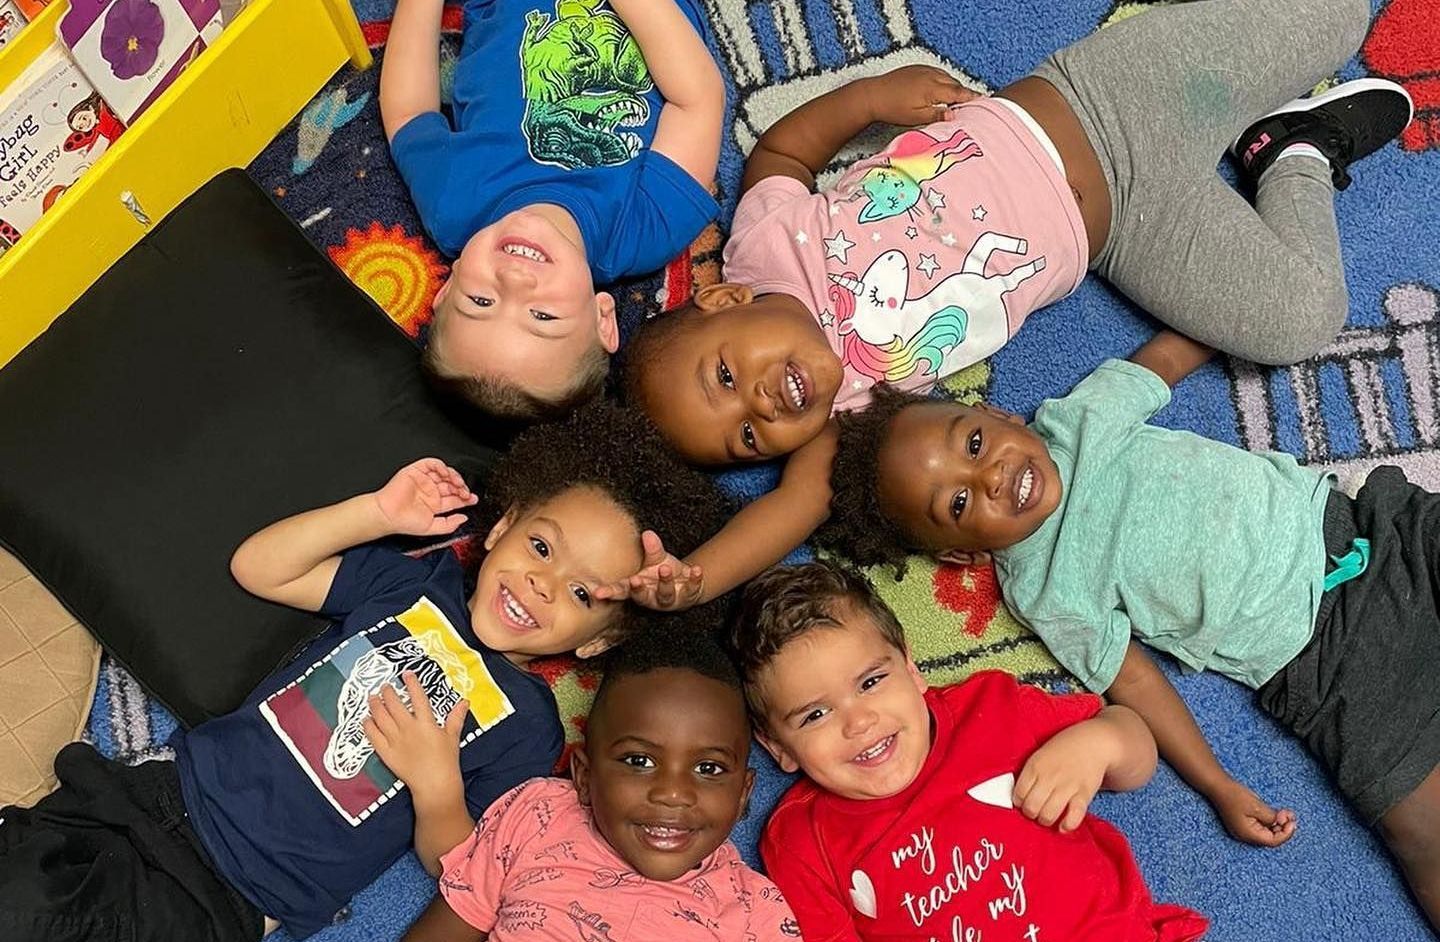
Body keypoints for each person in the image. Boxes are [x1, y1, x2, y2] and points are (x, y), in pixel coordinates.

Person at [608, 0, 1413, 612]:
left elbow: (784, 148)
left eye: (723, 377)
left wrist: (868, 99)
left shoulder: (763, 244)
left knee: (1338, 14)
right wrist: (699, 576)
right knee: (1302, 320)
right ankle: (1293, 149)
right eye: (747, 438)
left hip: (1102, 100)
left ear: (722, 299)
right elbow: (788, 509)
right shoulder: (850, 411)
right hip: (1126, 231)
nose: (758, 407)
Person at [0, 402, 731, 942]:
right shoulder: (416, 586)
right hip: (152, 792)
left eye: (580, 593)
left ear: (599, 643)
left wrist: (436, 779)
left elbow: (466, 871)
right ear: (501, 526)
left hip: (222, 893)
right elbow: (260, 567)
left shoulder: (527, 727)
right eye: (542, 547)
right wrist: (375, 512)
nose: (543, 584)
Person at [820, 324, 1440, 932]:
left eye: (975, 444)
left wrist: (1245, 317)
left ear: (999, 415)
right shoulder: (1042, 590)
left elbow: (1168, 357)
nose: (990, 478)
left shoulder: (1079, 420)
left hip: (1373, 535)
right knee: (1420, 834)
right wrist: (1218, 784)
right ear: (962, 556)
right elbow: (1136, 684)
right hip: (1327, 666)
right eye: (958, 505)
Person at [729, 560, 1207, 942]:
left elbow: (1137, 756)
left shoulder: (993, 709)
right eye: (815, 715)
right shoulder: (801, 838)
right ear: (778, 749)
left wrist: (1100, 743)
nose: (859, 722)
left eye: (872, 682)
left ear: (913, 670)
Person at [381, 0, 724, 422]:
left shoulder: (452, 204)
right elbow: (697, 100)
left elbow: (409, 112)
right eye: (542, 315)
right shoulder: (642, 230)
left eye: (480, 300)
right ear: (603, 320)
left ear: (446, 290)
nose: (515, 280)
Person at [401, 613, 801, 941]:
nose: (673, 793)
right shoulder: (536, 818)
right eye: (639, 761)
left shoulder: (757, 917)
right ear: (584, 775)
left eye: (709, 768)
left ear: (744, 793)